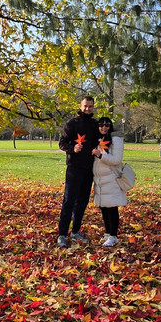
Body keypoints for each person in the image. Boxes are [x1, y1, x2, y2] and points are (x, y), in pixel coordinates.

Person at [56, 96, 100, 247]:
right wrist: (72, 148)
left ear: (93, 108)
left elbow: (104, 138)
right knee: (69, 201)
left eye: (90, 106)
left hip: (89, 169)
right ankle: (62, 234)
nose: (88, 109)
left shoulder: (95, 125)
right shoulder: (72, 123)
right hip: (74, 167)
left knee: (82, 202)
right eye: (85, 106)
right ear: (80, 106)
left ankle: (75, 231)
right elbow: (62, 143)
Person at [91, 116, 126, 247]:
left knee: (112, 207)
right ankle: (108, 233)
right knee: (104, 207)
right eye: (101, 125)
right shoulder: (98, 139)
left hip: (111, 178)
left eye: (106, 125)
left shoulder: (115, 140)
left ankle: (113, 235)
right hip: (100, 179)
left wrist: (100, 155)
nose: (103, 127)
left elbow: (116, 159)